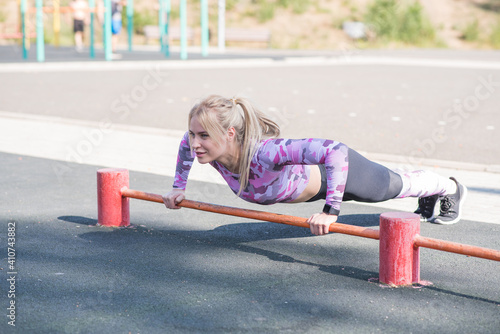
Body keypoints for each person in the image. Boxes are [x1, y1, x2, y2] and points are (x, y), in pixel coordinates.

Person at [162, 95, 467, 236]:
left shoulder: (266, 153)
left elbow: (334, 151)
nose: (195, 142)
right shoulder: (204, 149)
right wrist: (178, 188)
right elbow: (184, 149)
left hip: (336, 176)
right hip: (316, 190)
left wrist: (330, 212)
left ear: (230, 134)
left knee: (393, 187)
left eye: (203, 135)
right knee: (393, 188)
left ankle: (450, 188)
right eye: (192, 133)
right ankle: (431, 194)